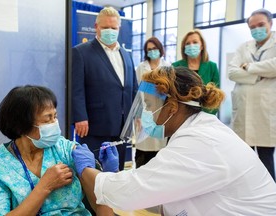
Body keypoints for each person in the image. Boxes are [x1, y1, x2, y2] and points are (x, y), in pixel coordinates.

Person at [72, 66, 276, 215]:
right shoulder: (200, 129)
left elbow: (128, 194)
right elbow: (161, 195)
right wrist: (114, 175)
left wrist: (86, 169)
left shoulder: (201, 143)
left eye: (150, 105)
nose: (146, 114)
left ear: (172, 107)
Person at [0, 85, 114, 215]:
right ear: (21, 126)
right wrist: (45, 186)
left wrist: (107, 177)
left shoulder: (64, 149)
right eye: (48, 119)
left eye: (55, 116)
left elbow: (101, 205)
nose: (54, 123)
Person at [72, 6, 138, 171]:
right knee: (94, 171)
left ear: (119, 28)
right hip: (94, 126)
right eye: (105, 27)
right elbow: (76, 88)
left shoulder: (126, 54)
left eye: (113, 28)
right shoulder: (81, 52)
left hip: (122, 127)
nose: (110, 31)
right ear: (96, 27)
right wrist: (80, 117)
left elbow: (132, 88)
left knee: (118, 171)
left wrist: (136, 116)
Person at [228, 8, 276, 181]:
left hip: (266, 111)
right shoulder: (243, 47)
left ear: (270, 23)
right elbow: (232, 72)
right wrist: (260, 75)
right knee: (244, 161)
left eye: (261, 25)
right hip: (244, 110)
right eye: (252, 27)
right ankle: (248, 196)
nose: (257, 29)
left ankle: (270, 200)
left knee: (265, 160)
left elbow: (274, 66)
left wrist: (249, 67)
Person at [135, 36, 170, 168]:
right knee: (143, 149)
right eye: (149, 49)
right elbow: (137, 93)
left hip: (161, 113)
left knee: (160, 151)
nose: (152, 51)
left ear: (160, 49)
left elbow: (168, 92)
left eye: (154, 48)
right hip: (145, 112)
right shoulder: (141, 67)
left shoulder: (167, 67)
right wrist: (137, 114)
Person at [172, 29, 220, 114]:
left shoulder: (212, 66)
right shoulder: (176, 66)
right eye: (187, 43)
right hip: (182, 114)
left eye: (195, 42)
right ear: (184, 48)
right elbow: (172, 93)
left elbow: (216, 94)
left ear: (202, 46)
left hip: (206, 113)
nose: (191, 45)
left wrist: (211, 113)